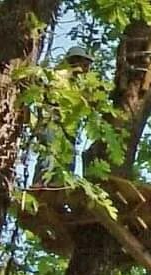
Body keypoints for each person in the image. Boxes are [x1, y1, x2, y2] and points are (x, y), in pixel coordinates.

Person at [32, 46, 96, 184]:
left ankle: (57, 196)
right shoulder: (56, 75)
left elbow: (80, 110)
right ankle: (40, 190)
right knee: (49, 161)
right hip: (52, 124)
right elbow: (40, 87)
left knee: (67, 168)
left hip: (69, 133)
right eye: (85, 64)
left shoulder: (77, 85)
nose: (87, 69)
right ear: (75, 61)